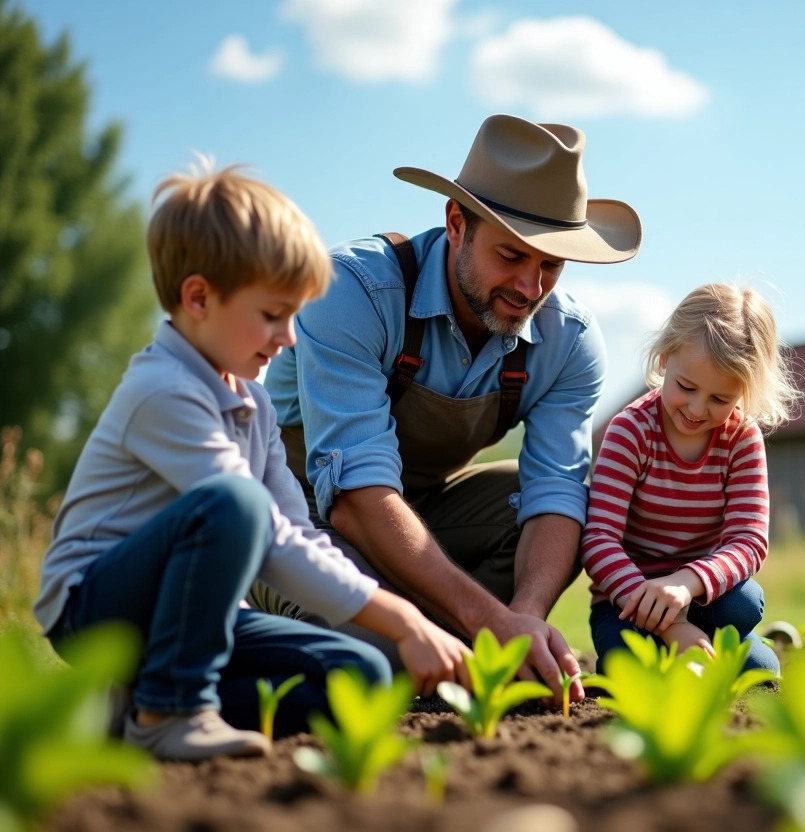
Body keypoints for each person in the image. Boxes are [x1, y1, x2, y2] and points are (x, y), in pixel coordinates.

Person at [33, 163, 471, 762]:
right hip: (99, 604)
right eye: (272, 314)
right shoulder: (163, 392)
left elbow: (297, 534)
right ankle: (169, 712)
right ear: (198, 298)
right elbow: (261, 533)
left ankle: (125, 712)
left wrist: (392, 627)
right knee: (237, 503)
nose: (288, 337)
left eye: (295, 315)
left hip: (196, 617)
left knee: (362, 673)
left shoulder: (252, 402)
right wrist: (403, 617)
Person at [257, 114, 642, 702]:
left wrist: (526, 615)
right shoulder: (352, 293)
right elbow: (358, 501)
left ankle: (436, 636)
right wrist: (490, 622)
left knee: (546, 502)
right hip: (301, 516)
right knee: (375, 664)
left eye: (551, 265)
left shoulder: (570, 341)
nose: (531, 288)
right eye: (512, 255)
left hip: (420, 517)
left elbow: (556, 491)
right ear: (456, 221)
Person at [580, 283, 802, 673]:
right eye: (687, 387)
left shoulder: (741, 438)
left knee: (756, 653)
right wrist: (673, 627)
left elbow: (748, 542)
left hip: (706, 598)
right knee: (626, 668)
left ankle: (729, 646)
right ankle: (685, 649)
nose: (698, 409)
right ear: (665, 357)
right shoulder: (630, 432)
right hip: (628, 600)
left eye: (720, 399)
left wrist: (685, 584)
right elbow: (599, 540)